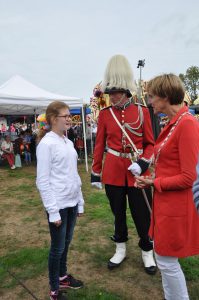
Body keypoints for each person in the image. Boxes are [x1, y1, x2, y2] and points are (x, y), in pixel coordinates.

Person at [135, 74, 199, 300]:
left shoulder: (188, 124)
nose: (149, 101)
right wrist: (152, 175)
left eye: (152, 96)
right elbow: (170, 164)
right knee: (164, 259)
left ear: (164, 96)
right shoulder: (175, 122)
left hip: (176, 207)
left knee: (165, 260)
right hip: (166, 204)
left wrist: (155, 181)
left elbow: (189, 177)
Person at [91, 55, 156, 275]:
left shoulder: (142, 111)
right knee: (117, 212)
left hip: (137, 173)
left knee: (142, 214)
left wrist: (143, 164)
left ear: (125, 92)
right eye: (110, 93)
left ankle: (147, 250)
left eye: (115, 93)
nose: (112, 97)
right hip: (113, 173)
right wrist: (95, 172)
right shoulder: (105, 115)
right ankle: (120, 247)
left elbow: (150, 144)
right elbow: (99, 145)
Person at [36, 101, 84, 300]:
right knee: (57, 248)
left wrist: (79, 200)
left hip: (71, 202)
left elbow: (73, 174)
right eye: (66, 116)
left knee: (66, 243)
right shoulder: (46, 144)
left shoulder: (67, 141)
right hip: (58, 206)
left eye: (69, 116)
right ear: (54, 119)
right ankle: (54, 289)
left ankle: (63, 276)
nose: (69, 119)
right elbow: (42, 180)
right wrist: (53, 211)